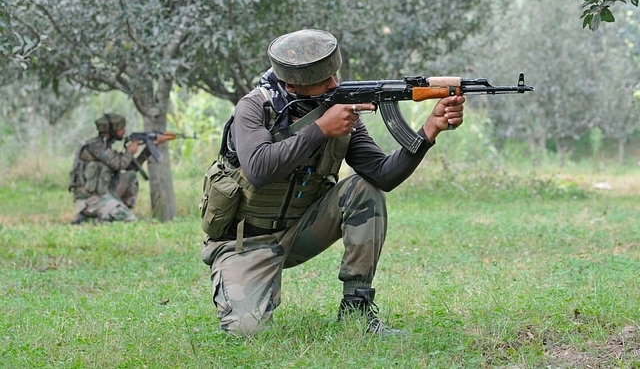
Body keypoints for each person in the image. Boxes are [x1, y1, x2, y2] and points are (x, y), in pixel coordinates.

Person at [200, 29, 465, 336]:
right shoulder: (255, 108)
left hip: (298, 232)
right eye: (324, 80)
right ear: (292, 84)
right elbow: (259, 167)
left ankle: (356, 309)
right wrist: (321, 129)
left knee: (364, 189)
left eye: (335, 75)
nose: (335, 85)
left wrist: (429, 130)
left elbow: (383, 175)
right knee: (246, 333)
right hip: (244, 243)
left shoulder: (338, 111)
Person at [68, 113, 166, 224]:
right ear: (112, 130)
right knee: (130, 220)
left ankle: (113, 210)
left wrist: (148, 149)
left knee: (130, 175)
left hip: (103, 194)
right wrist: (129, 151)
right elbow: (119, 164)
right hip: (90, 199)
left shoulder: (105, 147)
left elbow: (130, 167)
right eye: (121, 128)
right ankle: (94, 215)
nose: (124, 131)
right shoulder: (96, 147)